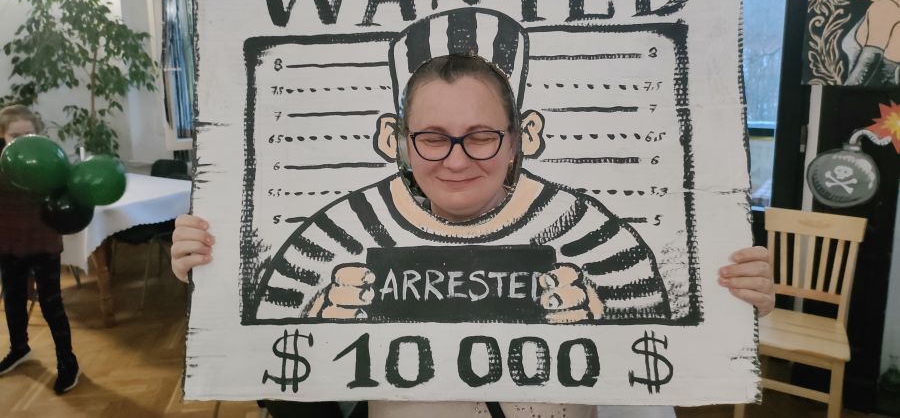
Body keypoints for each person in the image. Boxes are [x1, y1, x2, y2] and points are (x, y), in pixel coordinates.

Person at [171, 53, 775, 417]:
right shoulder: (331, 237)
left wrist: (733, 302)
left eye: (482, 136)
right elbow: (271, 378)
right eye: (432, 137)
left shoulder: (596, 234)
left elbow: (664, 377)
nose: (456, 160)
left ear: (520, 138)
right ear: (397, 141)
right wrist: (214, 274)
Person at [0, 104, 80, 394]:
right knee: (13, 300)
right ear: (3, 135)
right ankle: (19, 348)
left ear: (38, 134)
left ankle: (67, 361)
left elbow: (66, 197)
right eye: (15, 135)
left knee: (51, 304)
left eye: (28, 135)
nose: (22, 141)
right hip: (8, 243)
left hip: (43, 242)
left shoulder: (49, 163)